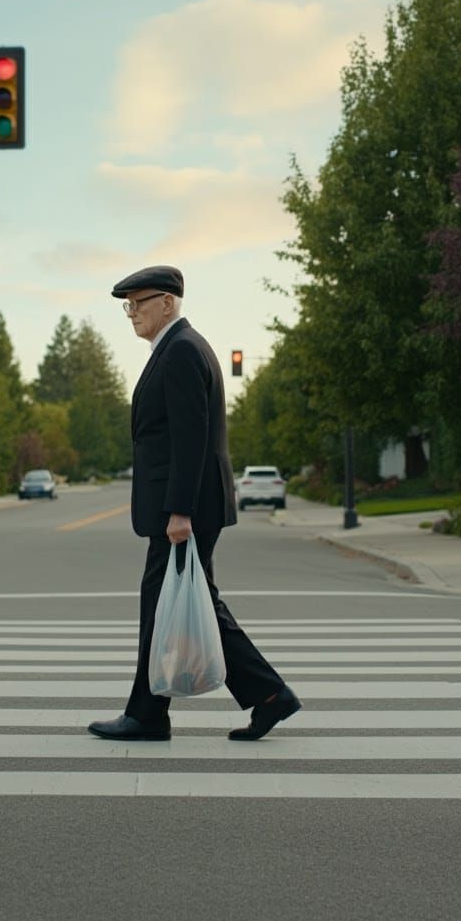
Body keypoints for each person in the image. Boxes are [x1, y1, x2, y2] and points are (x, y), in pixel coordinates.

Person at [88, 265, 301, 741]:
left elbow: (191, 438)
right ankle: (267, 696)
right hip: (183, 505)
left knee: (171, 605)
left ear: (167, 302)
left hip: (184, 508)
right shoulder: (176, 347)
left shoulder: (182, 350)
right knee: (185, 604)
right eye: (128, 306)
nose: (131, 314)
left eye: (138, 304)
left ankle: (148, 715)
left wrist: (179, 510)